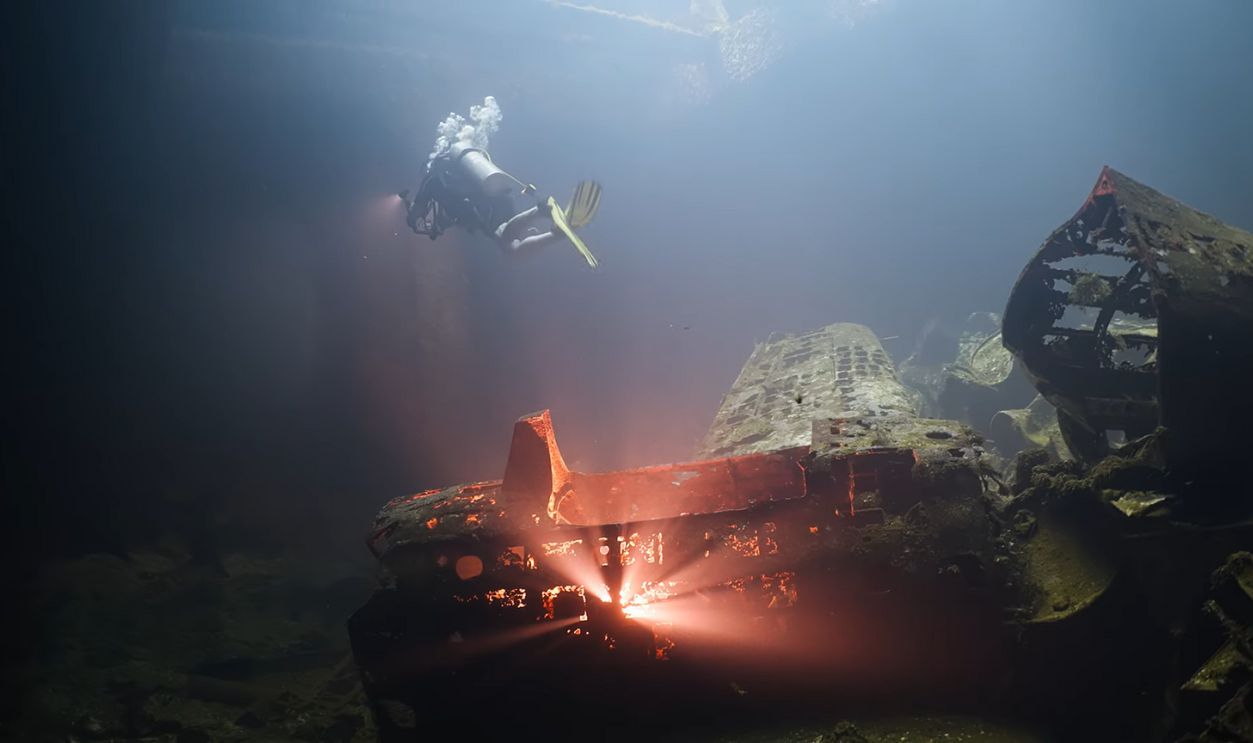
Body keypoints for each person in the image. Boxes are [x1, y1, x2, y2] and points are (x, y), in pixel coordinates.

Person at [403, 142, 602, 266]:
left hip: (480, 207)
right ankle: (552, 229)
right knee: (510, 246)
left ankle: (541, 212)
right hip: (497, 196)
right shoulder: (457, 171)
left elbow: (417, 213)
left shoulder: (431, 181)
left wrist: (410, 218)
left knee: (506, 240)